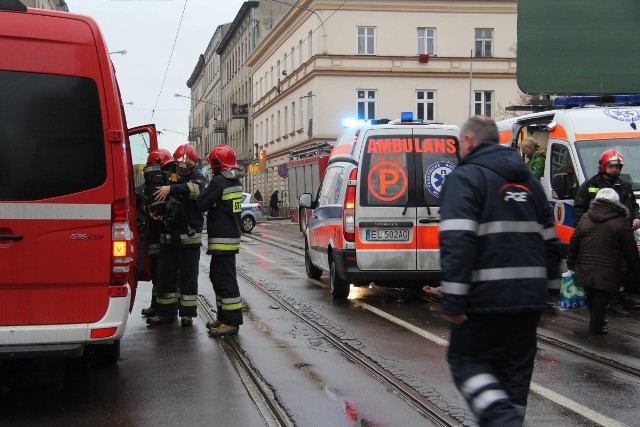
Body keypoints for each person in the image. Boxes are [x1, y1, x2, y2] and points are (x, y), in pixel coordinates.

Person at [439, 115, 561, 426]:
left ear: (468, 142)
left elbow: (458, 239)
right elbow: (550, 241)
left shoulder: (465, 178)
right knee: (514, 375)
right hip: (529, 300)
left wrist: (454, 298)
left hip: (486, 300)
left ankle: (503, 420)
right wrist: (549, 292)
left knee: (465, 360)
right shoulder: (530, 182)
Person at [572, 149, 640, 317]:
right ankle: (607, 303)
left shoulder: (624, 186)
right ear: (603, 166)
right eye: (611, 166)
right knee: (605, 270)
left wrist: (637, 218)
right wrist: (585, 229)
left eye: (618, 166)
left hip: (621, 235)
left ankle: (616, 297)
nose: (615, 170)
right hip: (599, 237)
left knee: (623, 269)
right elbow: (579, 209)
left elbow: (633, 206)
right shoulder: (590, 185)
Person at [146, 144, 206, 327]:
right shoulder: (168, 173)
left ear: (193, 165)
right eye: (180, 165)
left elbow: (194, 190)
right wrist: (153, 210)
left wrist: (170, 189)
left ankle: (187, 314)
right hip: (168, 235)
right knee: (166, 276)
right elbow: (155, 193)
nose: (182, 168)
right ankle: (165, 313)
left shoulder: (198, 177)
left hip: (189, 238)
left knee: (188, 277)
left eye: (187, 166)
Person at [567, 188, 640, 335]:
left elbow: (574, 240)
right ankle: (596, 328)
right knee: (602, 296)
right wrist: (636, 269)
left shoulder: (586, 217)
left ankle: (597, 322)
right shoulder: (620, 221)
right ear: (616, 203)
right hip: (607, 268)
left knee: (591, 295)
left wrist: (571, 263)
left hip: (585, 266)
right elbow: (630, 247)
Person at [197, 145, 244, 337]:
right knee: (218, 277)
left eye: (211, 163)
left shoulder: (219, 181)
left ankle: (231, 322)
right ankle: (223, 317)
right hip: (229, 238)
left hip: (222, 240)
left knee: (224, 280)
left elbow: (202, 203)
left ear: (217, 164)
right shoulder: (234, 180)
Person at [139, 148, 176, 317]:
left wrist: (163, 212)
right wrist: (149, 210)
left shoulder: (173, 179)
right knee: (155, 270)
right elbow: (146, 200)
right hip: (155, 233)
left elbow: (177, 202)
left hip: (166, 233)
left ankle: (165, 310)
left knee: (164, 272)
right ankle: (156, 305)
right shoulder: (152, 182)